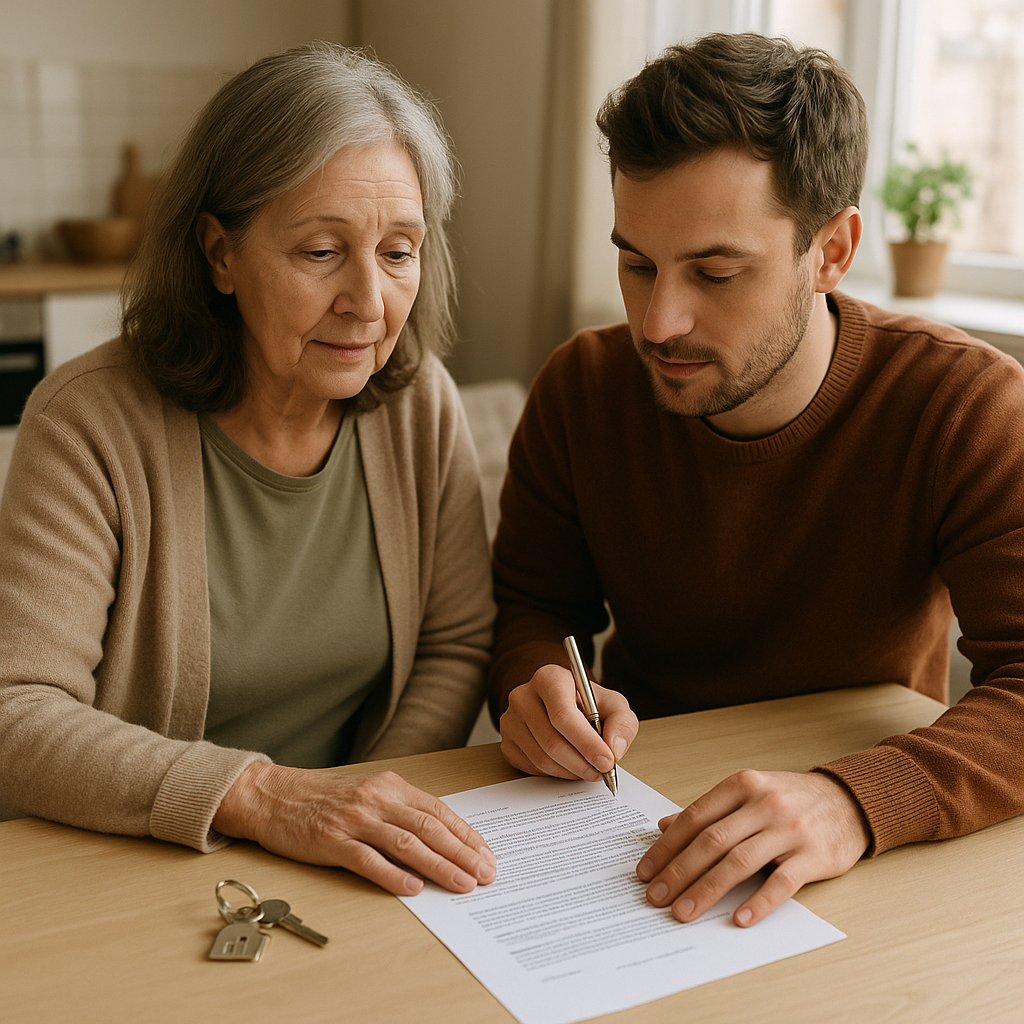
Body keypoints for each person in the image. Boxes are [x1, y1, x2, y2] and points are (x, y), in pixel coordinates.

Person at [490, 32, 1024, 928]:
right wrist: (537, 688)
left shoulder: (965, 406)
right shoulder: (580, 388)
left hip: (865, 862)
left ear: (834, 251)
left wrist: (854, 800)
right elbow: (534, 612)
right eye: (636, 263)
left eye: (716, 271)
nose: (659, 321)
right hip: (633, 834)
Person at [0, 42, 498, 898]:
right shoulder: (85, 424)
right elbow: (17, 715)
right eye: (320, 252)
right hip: (135, 868)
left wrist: (365, 811)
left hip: (340, 872)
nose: (369, 304)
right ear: (220, 254)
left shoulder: (421, 407)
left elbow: (454, 645)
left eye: (399, 251)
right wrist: (266, 800)